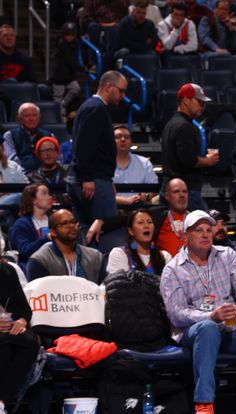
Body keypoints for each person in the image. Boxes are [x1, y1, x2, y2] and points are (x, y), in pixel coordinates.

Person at [160, 210, 236, 414]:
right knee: (208, 328)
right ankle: (204, 403)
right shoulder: (173, 269)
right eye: (199, 231)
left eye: (208, 230)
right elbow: (176, 314)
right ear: (185, 236)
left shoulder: (227, 255)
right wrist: (210, 315)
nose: (206, 235)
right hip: (193, 332)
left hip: (230, 329)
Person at [72, 70, 128, 243]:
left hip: (97, 179)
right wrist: (88, 177)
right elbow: (84, 145)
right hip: (93, 181)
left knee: (90, 232)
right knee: (104, 236)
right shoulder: (95, 108)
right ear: (109, 87)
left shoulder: (94, 107)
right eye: (121, 91)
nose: (123, 96)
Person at [161, 83, 219, 211]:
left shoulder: (172, 123)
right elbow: (188, 160)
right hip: (186, 190)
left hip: (174, 186)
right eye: (199, 102)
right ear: (186, 100)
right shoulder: (184, 126)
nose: (202, 107)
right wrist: (207, 161)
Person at [0, 257, 39, 414]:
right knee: (5, 346)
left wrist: (22, 321)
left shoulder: (8, 271)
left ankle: (0, 405)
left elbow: (25, 308)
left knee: (29, 343)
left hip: (7, 329)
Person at [26, 209, 104, 282]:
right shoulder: (40, 260)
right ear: (53, 232)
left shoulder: (95, 257)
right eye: (65, 223)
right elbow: (38, 294)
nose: (71, 226)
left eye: (73, 222)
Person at [106, 209, 171, 275]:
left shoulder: (164, 257)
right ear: (131, 231)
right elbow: (118, 283)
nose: (146, 226)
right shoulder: (120, 254)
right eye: (140, 222)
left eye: (149, 222)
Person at [9, 183, 53, 272]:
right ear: (33, 200)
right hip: (33, 266)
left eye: (48, 193)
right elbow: (24, 251)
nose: (49, 197)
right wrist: (46, 238)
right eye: (44, 193)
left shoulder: (55, 219)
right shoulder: (22, 224)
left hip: (56, 263)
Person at [112, 125, 157, 209]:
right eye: (118, 137)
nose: (122, 139)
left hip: (139, 210)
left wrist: (146, 195)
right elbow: (101, 194)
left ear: (131, 142)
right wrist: (126, 201)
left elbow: (154, 188)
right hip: (112, 211)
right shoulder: (103, 164)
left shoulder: (144, 163)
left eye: (126, 137)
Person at [2, 103, 53, 173]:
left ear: (39, 117)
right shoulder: (9, 135)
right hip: (19, 174)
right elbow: (11, 160)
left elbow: (56, 157)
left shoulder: (49, 135)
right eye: (27, 116)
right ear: (19, 119)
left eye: (34, 115)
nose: (31, 119)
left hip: (45, 174)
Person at [152, 178, 190, 257]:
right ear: (167, 196)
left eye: (184, 191)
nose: (182, 195)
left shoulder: (197, 219)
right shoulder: (155, 217)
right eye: (176, 191)